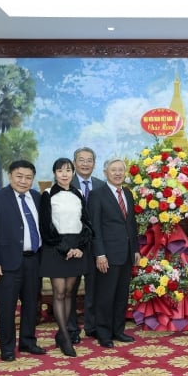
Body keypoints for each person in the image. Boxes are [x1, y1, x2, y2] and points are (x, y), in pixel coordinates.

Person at [0, 160, 46, 361]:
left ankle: (28, 342)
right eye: (19, 176)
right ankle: (7, 348)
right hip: (6, 263)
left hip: (33, 260)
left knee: (31, 305)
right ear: (10, 176)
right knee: (6, 308)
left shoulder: (37, 198)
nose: (23, 181)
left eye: (28, 177)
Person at [39, 158, 92, 357]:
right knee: (59, 293)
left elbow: (86, 223)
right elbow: (45, 227)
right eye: (60, 170)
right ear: (54, 173)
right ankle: (65, 337)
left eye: (68, 170)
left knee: (70, 292)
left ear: (73, 173)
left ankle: (65, 334)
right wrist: (64, 248)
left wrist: (79, 247)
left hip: (76, 248)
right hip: (55, 248)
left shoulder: (78, 194)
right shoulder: (47, 195)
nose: (64, 174)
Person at [88, 157, 140, 348]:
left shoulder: (127, 192)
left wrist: (135, 249)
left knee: (121, 295)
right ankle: (103, 333)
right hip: (107, 256)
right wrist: (99, 254)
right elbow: (95, 227)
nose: (118, 173)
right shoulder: (97, 195)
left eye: (121, 170)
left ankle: (118, 331)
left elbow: (131, 224)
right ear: (105, 173)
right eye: (113, 170)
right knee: (105, 296)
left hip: (126, 254)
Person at [67, 147, 105, 344]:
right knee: (70, 290)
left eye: (89, 160)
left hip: (94, 246)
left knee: (94, 289)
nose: (85, 163)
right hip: (73, 247)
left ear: (94, 163)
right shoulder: (65, 184)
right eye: (81, 160)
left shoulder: (100, 185)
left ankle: (91, 326)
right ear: (74, 162)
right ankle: (71, 329)